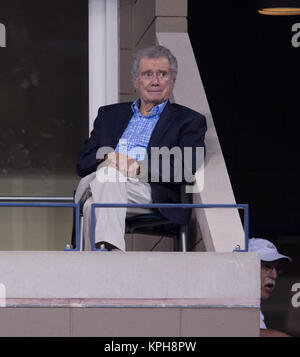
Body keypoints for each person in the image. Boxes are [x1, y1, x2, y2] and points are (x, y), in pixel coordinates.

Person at [75, 45, 207, 251]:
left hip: (150, 191)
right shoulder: (109, 115)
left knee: (98, 192)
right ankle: (108, 260)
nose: (155, 81)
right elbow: (83, 161)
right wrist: (109, 157)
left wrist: (137, 167)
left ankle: (106, 256)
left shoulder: (189, 120)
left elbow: (186, 166)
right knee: (96, 201)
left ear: (172, 81)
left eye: (162, 74)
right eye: (147, 74)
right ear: (135, 81)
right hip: (110, 187)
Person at [248, 238, 292, 337]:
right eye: (267, 266)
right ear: (247, 266)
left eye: (277, 269)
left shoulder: (253, 307)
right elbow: (237, 331)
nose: (274, 275)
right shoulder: (232, 301)